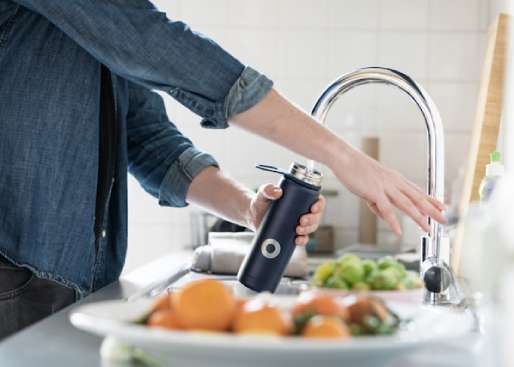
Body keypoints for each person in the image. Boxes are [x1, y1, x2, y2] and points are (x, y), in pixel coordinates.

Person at [0, 1, 446, 339]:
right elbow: (162, 48)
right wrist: (343, 157)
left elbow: (148, 140)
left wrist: (249, 209)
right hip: (12, 283)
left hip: (72, 287)